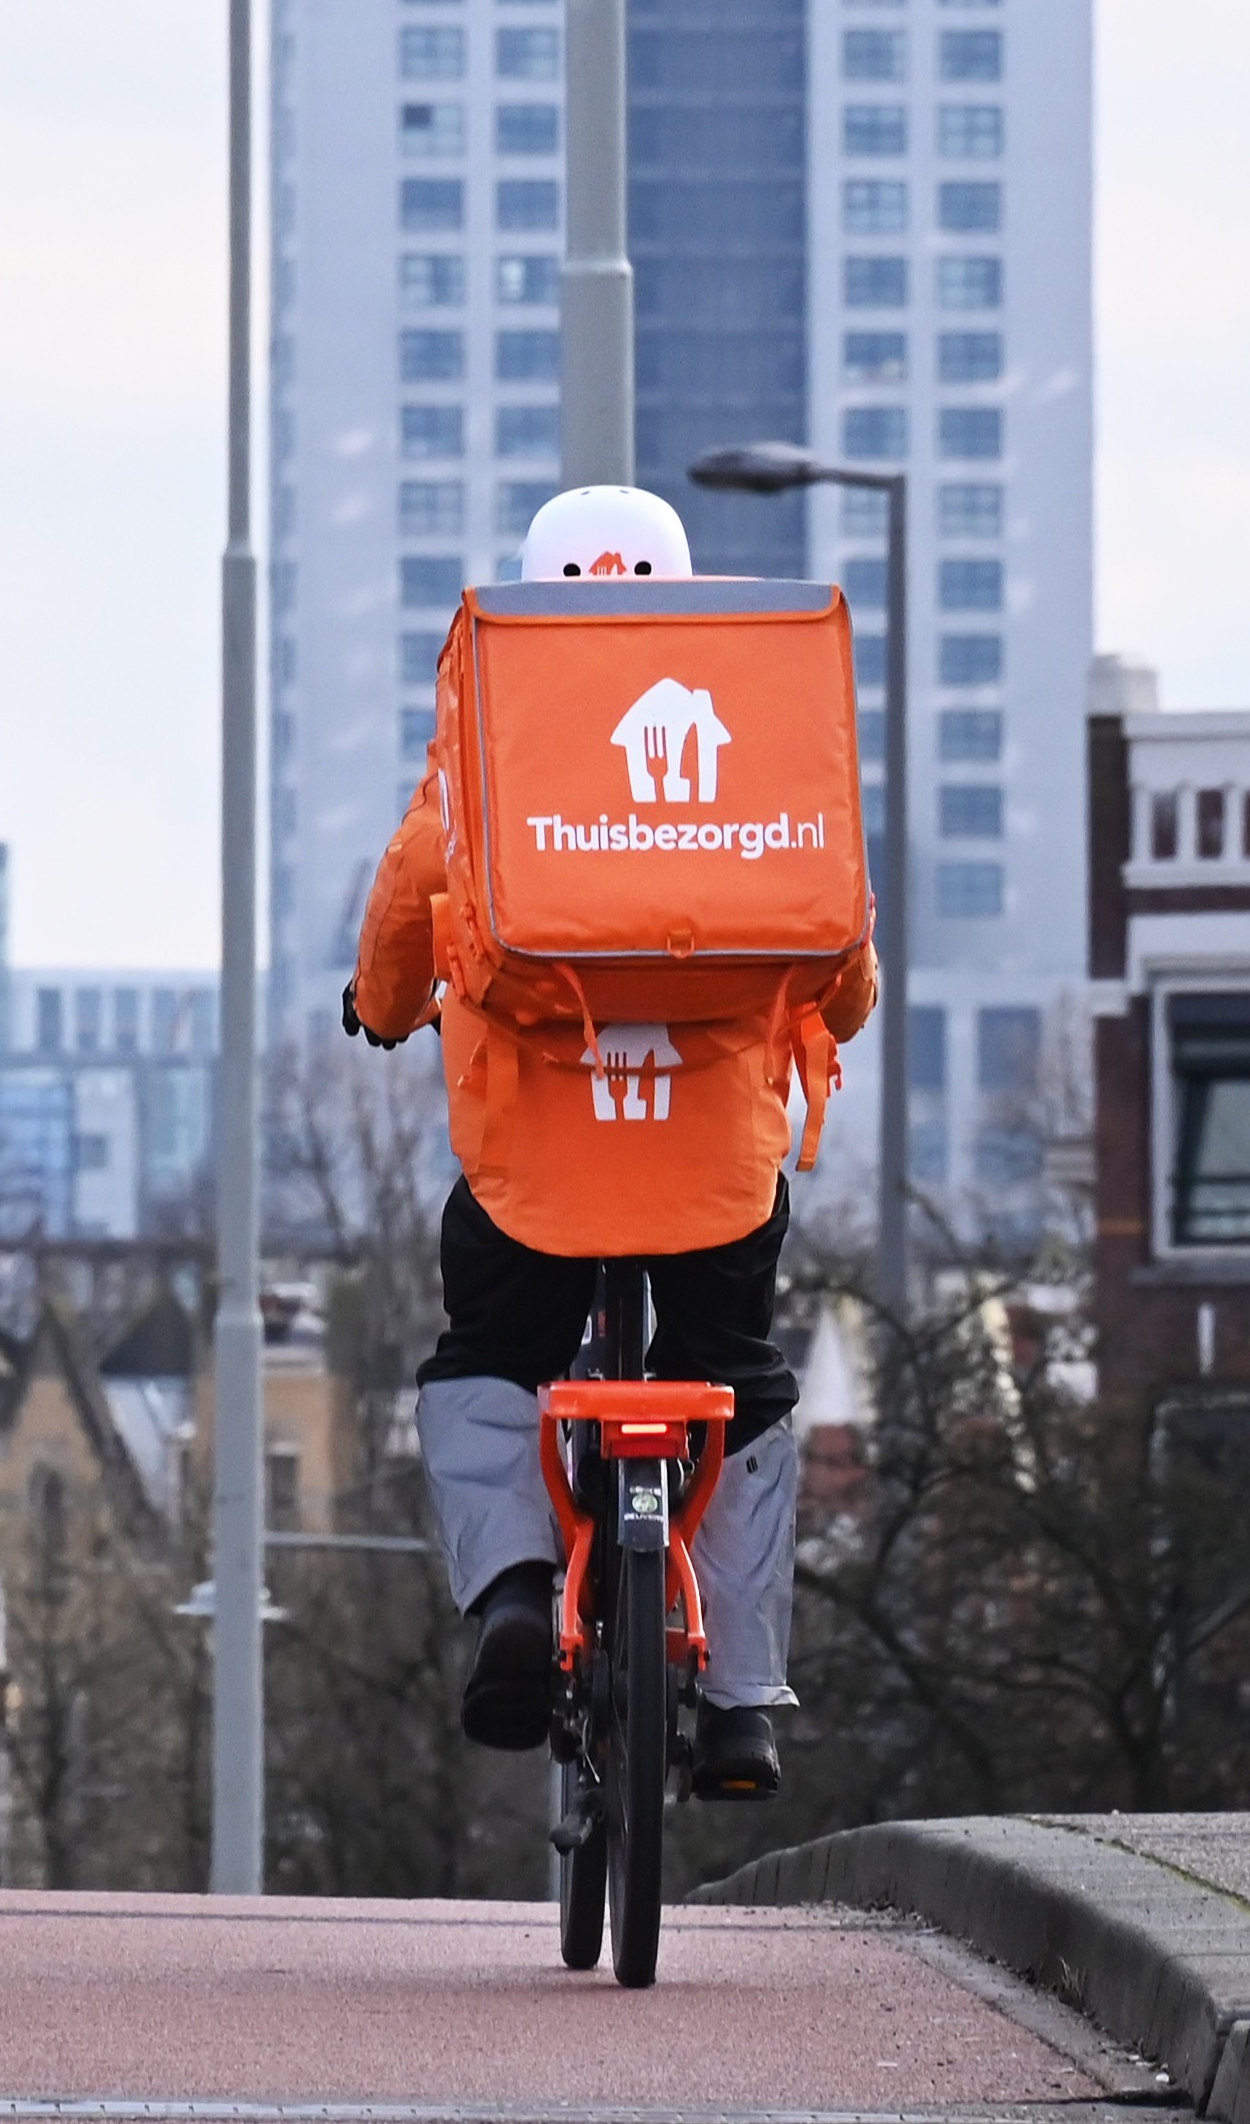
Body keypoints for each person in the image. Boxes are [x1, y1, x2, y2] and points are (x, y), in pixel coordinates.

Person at [343, 484, 874, 1801]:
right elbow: (838, 949)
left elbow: (413, 893)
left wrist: (384, 1005)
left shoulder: (494, 728)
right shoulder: (756, 728)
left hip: (535, 1167)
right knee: (737, 1378)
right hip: (713, 1170)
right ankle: (741, 1699)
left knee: (490, 1354)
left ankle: (520, 1590)